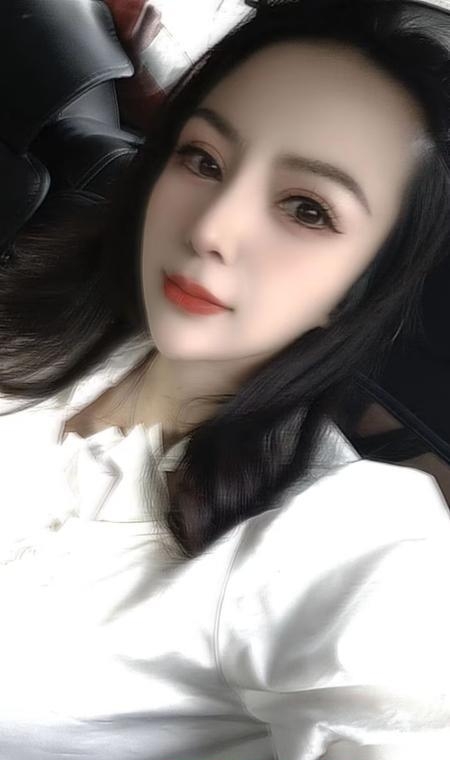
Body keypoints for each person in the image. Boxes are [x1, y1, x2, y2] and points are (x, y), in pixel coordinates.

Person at [0, 0, 449, 757]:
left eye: (307, 209)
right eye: (203, 160)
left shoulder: (349, 537)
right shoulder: (39, 330)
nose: (211, 229)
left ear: (368, 279)